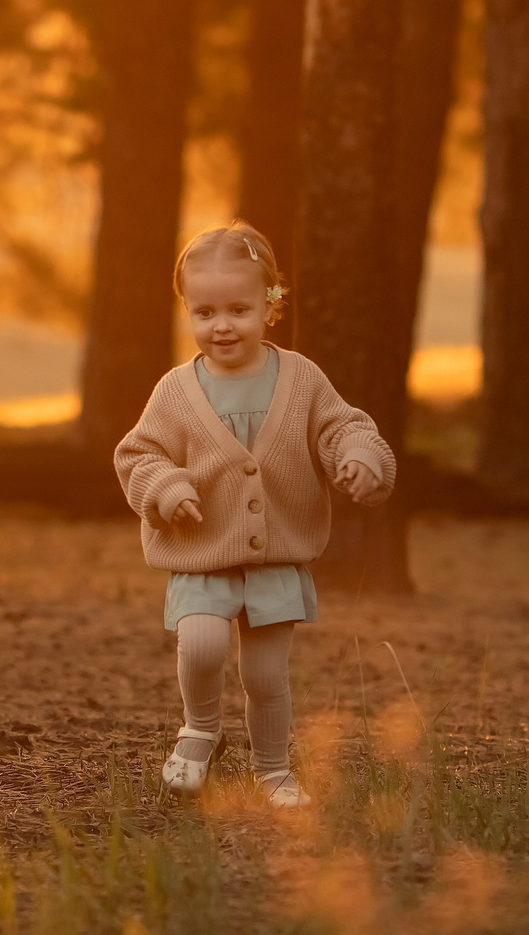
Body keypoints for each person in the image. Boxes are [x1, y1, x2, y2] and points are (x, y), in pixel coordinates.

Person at [112, 222, 396, 808]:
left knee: (267, 678)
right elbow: (140, 453)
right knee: (203, 645)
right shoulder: (175, 390)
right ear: (187, 310)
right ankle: (200, 731)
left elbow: (343, 426)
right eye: (204, 311)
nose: (221, 326)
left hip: (275, 559)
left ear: (270, 305)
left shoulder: (301, 379)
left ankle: (272, 769)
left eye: (238, 309)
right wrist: (164, 488)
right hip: (201, 552)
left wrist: (361, 458)